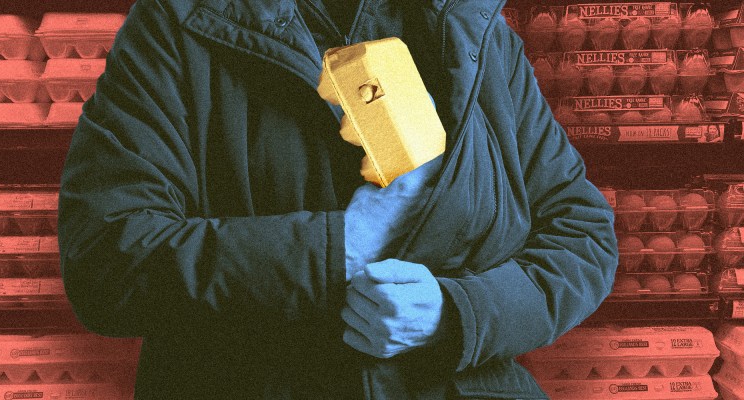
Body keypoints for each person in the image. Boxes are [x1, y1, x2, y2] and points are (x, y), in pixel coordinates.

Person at [57, 0, 619, 398]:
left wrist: (457, 314)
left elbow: (582, 235)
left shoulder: (474, 32)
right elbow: (106, 258)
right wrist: (342, 247)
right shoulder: (178, 25)